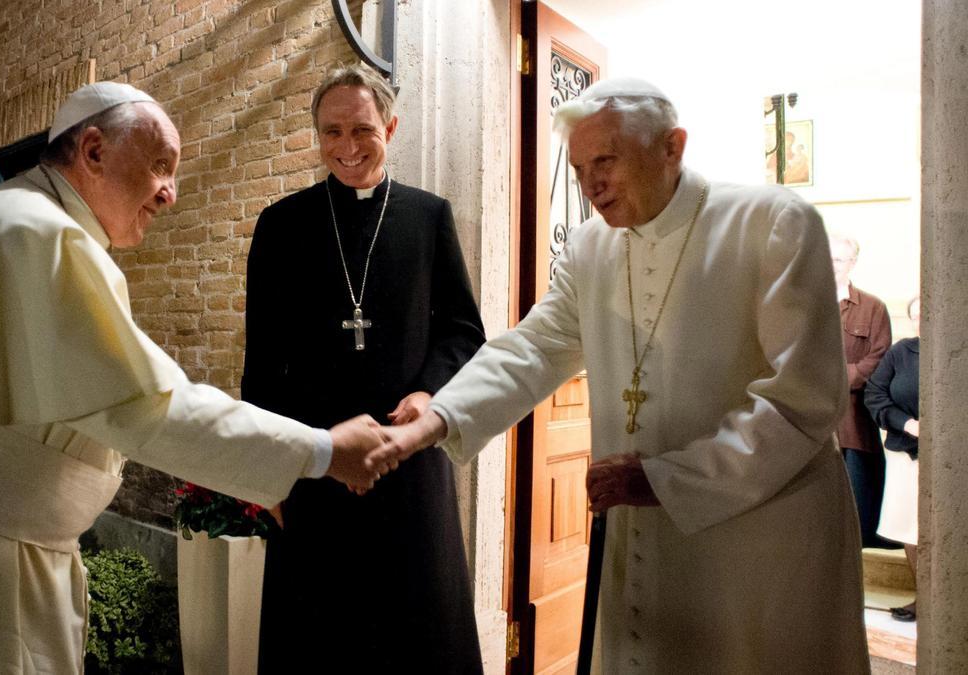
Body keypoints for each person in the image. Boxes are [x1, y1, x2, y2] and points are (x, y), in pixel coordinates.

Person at [0, 82, 399, 674]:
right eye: (161, 167)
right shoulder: (43, 236)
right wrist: (321, 450)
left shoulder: (16, 219)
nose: (169, 193)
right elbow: (147, 410)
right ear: (94, 151)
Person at [375, 78, 869, 672]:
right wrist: (437, 417)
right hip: (643, 522)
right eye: (579, 168)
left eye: (604, 160)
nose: (590, 185)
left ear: (672, 147)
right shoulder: (590, 248)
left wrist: (667, 478)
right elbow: (533, 347)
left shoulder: (772, 223)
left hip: (762, 538)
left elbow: (802, 403)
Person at [243, 64, 487, 673]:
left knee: (417, 638)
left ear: (391, 127)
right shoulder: (280, 225)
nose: (347, 148)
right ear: (317, 134)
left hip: (406, 458)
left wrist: (430, 391)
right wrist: (267, 470)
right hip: (314, 461)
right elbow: (263, 361)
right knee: (320, 642)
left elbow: (462, 329)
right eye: (331, 132)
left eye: (362, 130)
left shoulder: (429, 217)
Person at [830, 234, 894, 548]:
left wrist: (833, 378)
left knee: (855, 510)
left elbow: (879, 358)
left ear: (852, 263)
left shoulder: (873, 308)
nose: (830, 266)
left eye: (838, 260)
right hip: (809, 422)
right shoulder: (799, 302)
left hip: (854, 423)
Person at [865, 296, 921, 622]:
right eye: (916, 316)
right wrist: (907, 423)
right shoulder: (901, 352)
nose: (921, 321)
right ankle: (923, 598)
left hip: (949, 457)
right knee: (910, 529)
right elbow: (875, 394)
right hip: (905, 453)